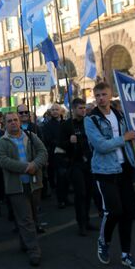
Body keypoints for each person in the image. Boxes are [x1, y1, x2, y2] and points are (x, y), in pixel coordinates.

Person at [85, 82, 135, 269]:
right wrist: (124, 138)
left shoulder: (120, 116)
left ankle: (126, 254)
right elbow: (101, 146)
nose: (101, 98)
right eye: (97, 96)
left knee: (128, 213)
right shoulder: (91, 119)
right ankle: (104, 242)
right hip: (104, 171)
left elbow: (132, 145)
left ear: (111, 95)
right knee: (114, 211)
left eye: (104, 94)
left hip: (125, 169)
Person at [0, 112, 47, 266]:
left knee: (33, 217)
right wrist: (26, 167)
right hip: (16, 187)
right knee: (26, 219)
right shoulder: (1, 143)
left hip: (34, 184)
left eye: (15, 120)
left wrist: (35, 165)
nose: (13, 123)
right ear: (4, 123)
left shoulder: (30, 136)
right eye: (9, 121)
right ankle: (34, 251)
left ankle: (25, 243)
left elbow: (43, 152)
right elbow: (4, 161)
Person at [57, 98, 98, 236]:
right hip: (75, 163)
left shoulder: (89, 122)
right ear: (73, 109)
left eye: (84, 108)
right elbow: (59, 145)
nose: (83, 110)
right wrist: (69, 142)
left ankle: (86, 220)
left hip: (89, 162)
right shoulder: (66, 125)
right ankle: (81, 224)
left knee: (88, 193)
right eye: (80, 108)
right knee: (80, 193)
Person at [43, 103, 71, 208]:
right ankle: (61, 200)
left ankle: (66, 198)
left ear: (61, 111)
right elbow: (49, 140)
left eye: (56, 109)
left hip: (68, 153)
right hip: (56, 154)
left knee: (67, 177)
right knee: (60, 178)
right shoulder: (47, 125)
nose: (55, 111)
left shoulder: (66, 123)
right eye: (53, 109)